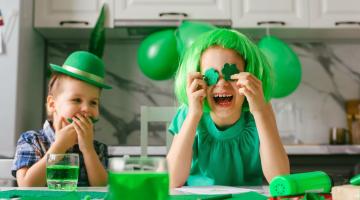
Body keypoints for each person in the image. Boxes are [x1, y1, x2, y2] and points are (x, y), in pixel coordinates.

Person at [167, 29, 290, 188]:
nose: (222, 83)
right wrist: (193, 114)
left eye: (231, 74)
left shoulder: (260, 110)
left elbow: (279, 179)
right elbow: (172, 180)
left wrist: (260, 112)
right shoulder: (188, 112)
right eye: (211, 75)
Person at [11, 51, 112, 187]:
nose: (86, 108)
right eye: (77, 100)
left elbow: (103, 189)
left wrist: (88, 149)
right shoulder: (32, 140)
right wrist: (59, 146)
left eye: (93, 102)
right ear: (53, 104)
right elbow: (27, 186)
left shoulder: (97, 149)